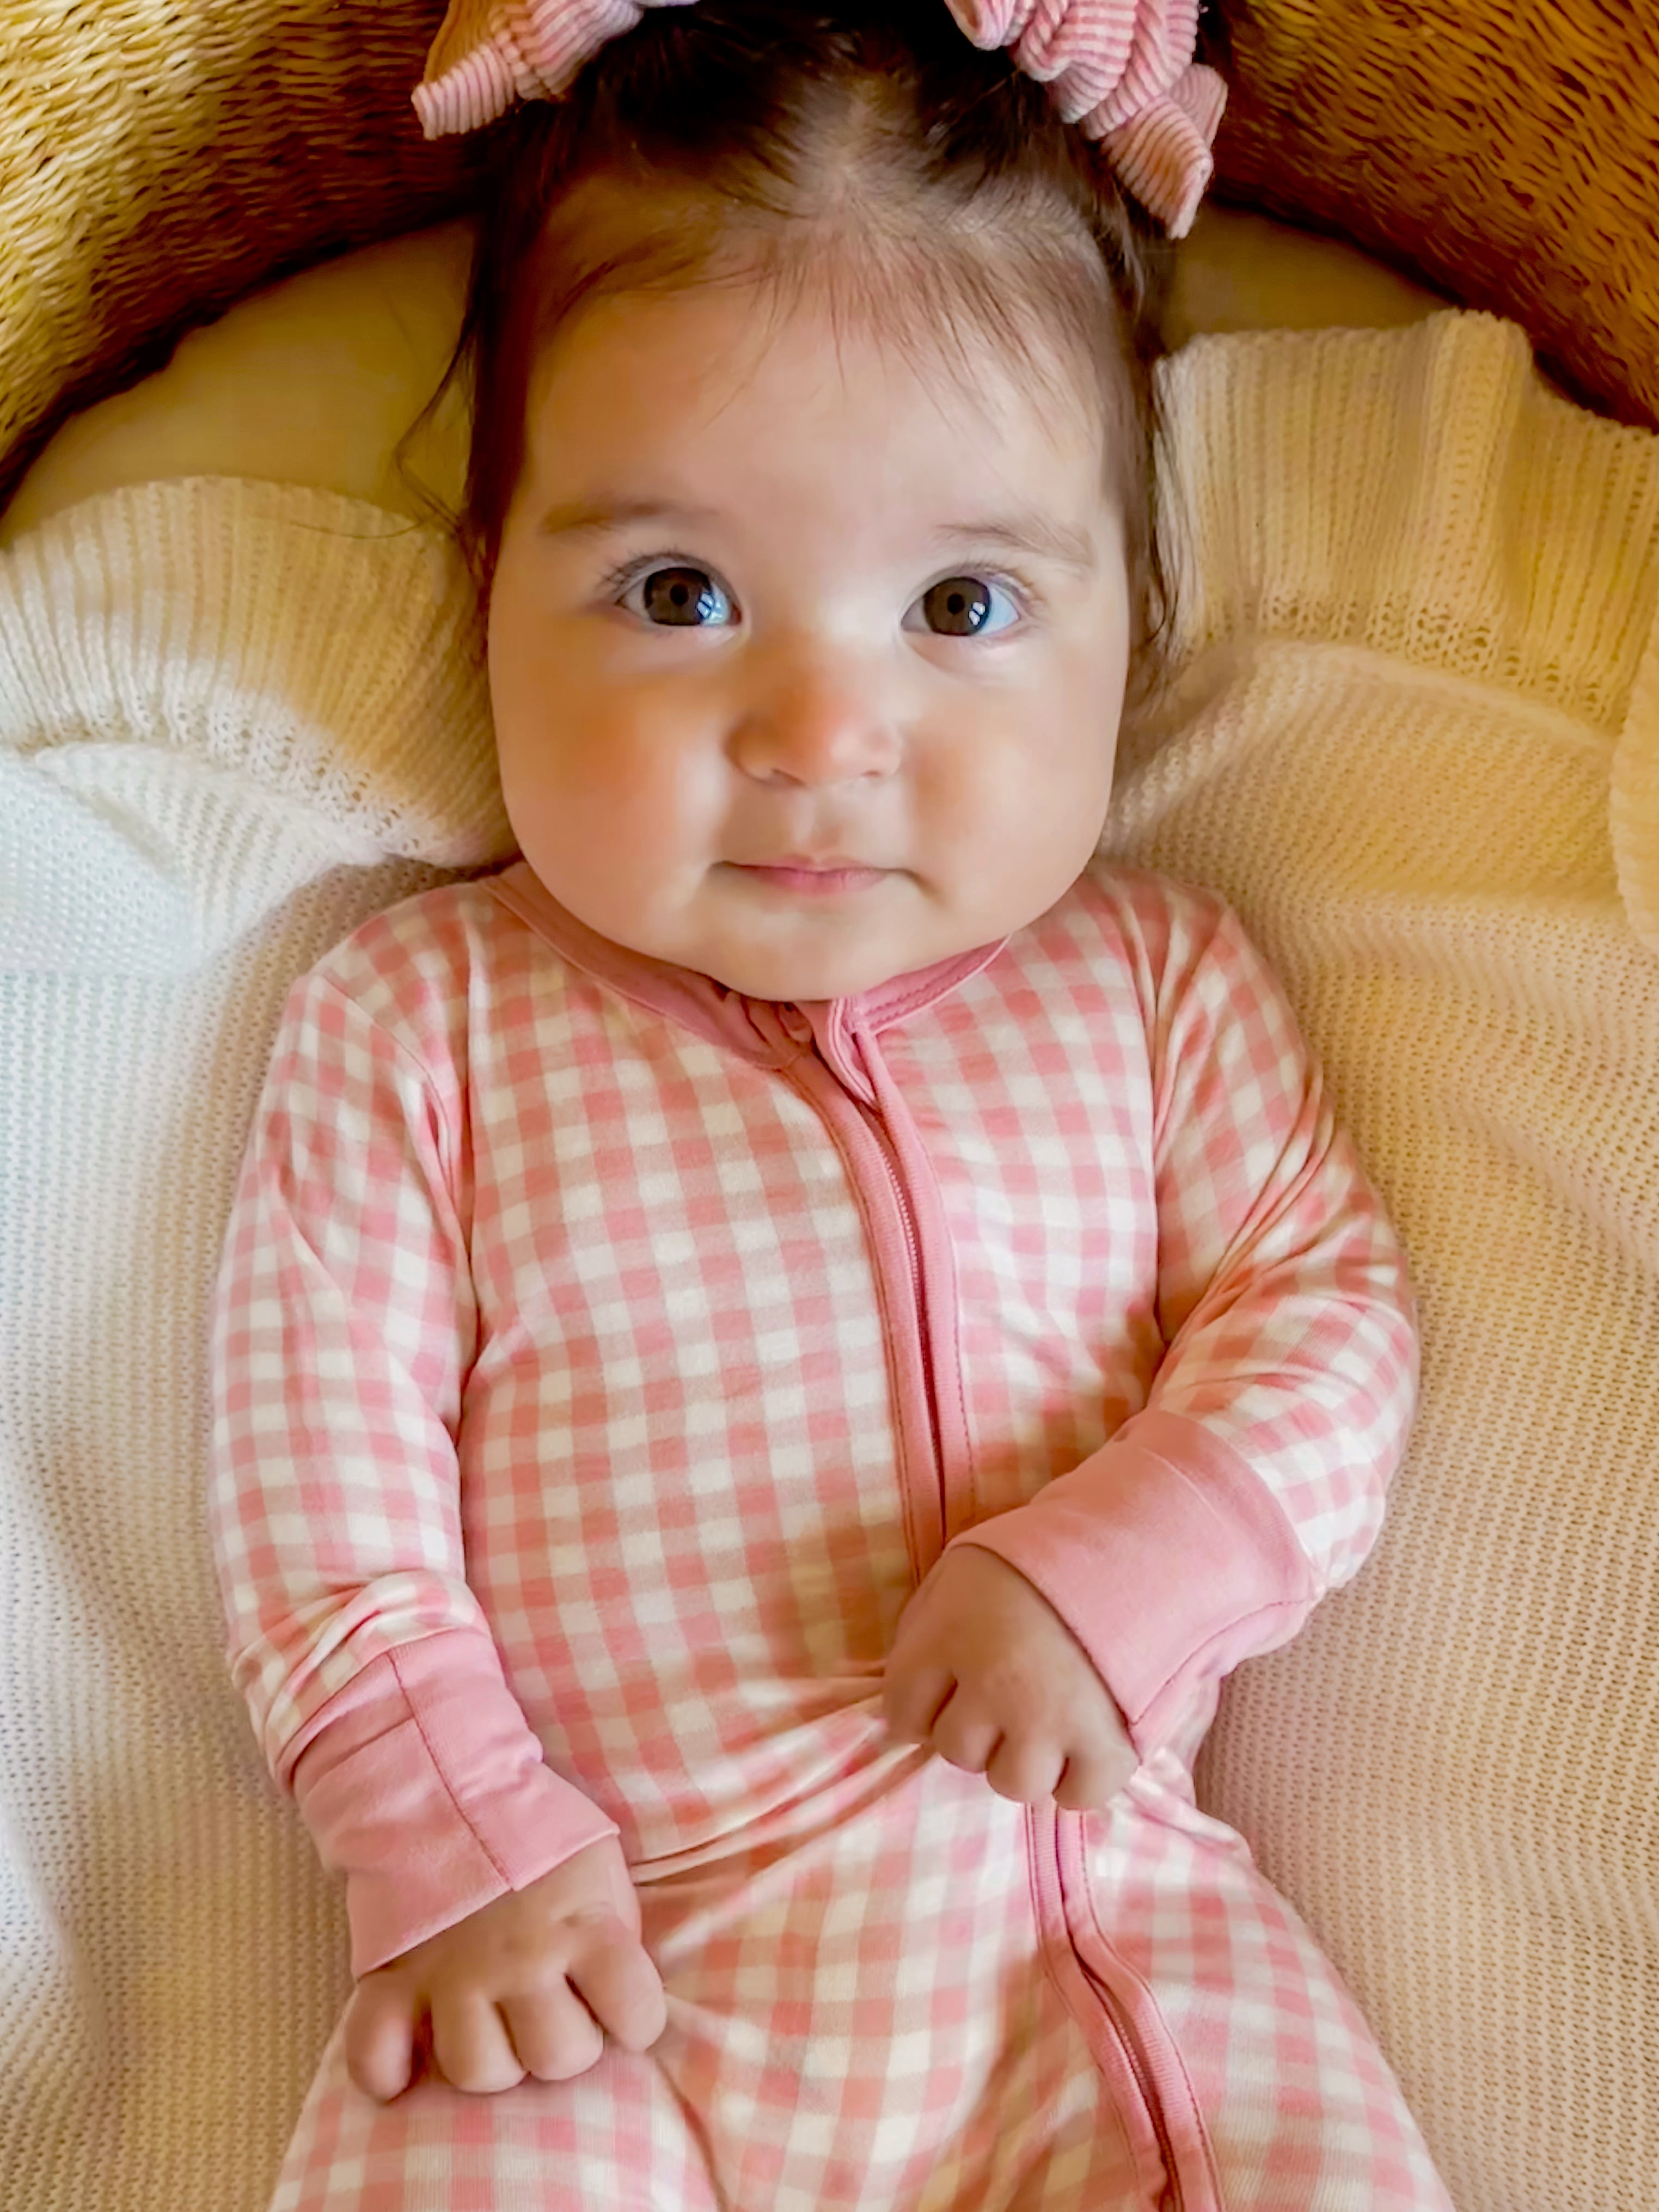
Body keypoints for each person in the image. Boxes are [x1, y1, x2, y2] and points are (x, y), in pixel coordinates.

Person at [207, 3, 1454, 2204]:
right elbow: (321, 1494)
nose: (815, 726)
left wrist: (1127, 1567)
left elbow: (1324, 1306)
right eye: (675, 592)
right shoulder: (425, 1019)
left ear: (1131, 638)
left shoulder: (1151, 983)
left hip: (1081, 1949)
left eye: (961, 603)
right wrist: (447, 1824)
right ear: (483, 582)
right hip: (585, 1964)